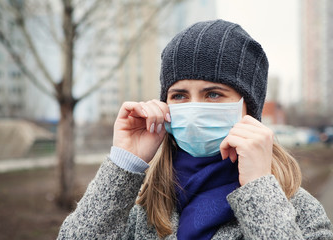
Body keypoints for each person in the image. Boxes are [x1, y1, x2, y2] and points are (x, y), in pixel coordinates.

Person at [57, 19, 333, 239]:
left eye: (213, 94)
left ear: (248, 107)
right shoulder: (140, 203)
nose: (194, 108)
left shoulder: (296, 208)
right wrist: (124, 164)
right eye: (179, 96)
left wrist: (259, 189)